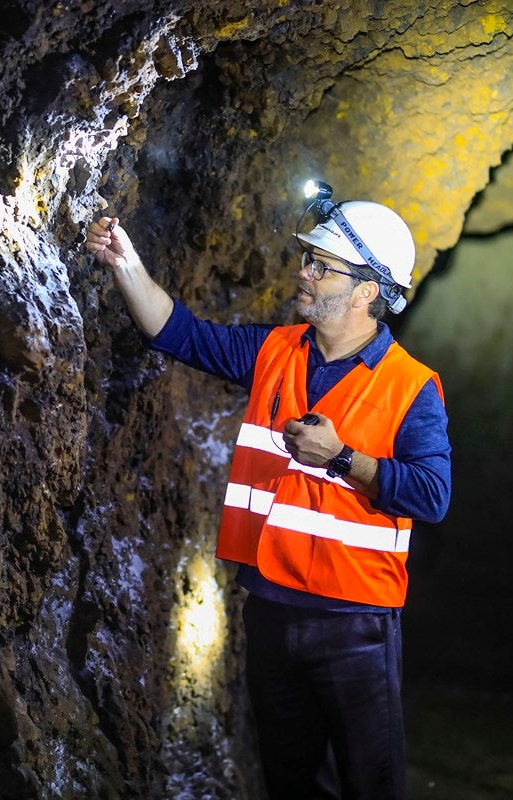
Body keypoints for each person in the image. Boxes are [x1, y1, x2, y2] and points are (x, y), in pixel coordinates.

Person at [84, 193, 451, 800]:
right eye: (308, 258)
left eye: (321, 265)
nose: (303, 273)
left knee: (371, 784)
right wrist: (126, 263)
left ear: (366, 292)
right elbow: (181, 333)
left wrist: (343, 458)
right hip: (272, 612)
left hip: (354, 622)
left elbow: (432, 496)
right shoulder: (274, 351)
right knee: (289, 781)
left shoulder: (411, 388)